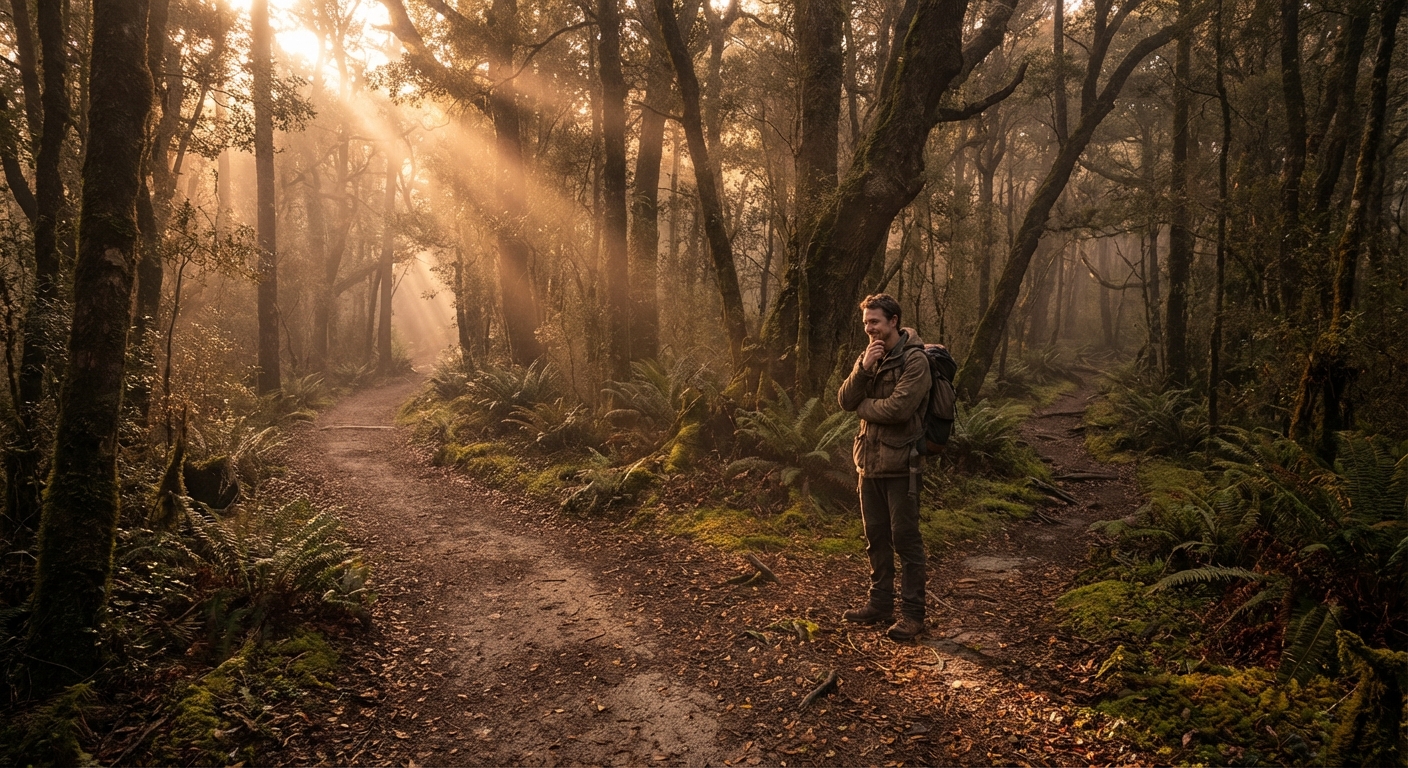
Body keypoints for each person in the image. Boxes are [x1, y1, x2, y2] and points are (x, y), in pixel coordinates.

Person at [837, 293, 932, 642]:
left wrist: (864, 407)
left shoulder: (915, 361)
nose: (870, 329)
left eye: (875, 322)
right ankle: (879, 605)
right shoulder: (869, 357)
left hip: (902, 467)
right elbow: (844, 399)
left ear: (893, 321)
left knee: (905, 539)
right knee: (875, 537)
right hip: (868, 464)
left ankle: (913, 615)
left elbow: (899, 410)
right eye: (866, 324)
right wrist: (862, 369)